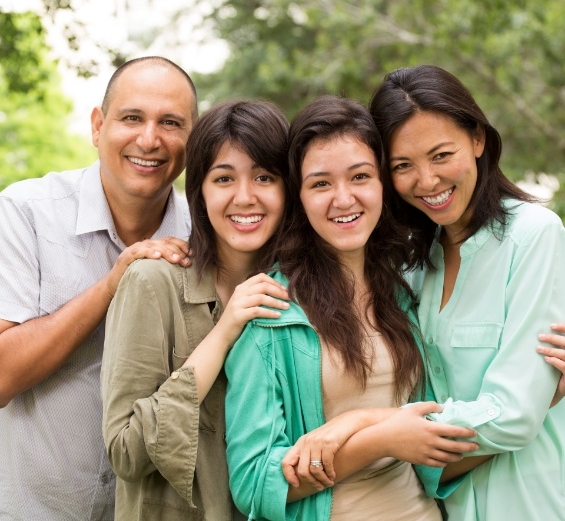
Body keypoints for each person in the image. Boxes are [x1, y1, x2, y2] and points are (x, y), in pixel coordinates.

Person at [224, 96, 480, 521]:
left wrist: (544, 394)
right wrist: (379, 439)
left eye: (360, 176)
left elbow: (433, 453)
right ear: (299, 198)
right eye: (321, 183)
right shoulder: (271, 311)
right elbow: (253, 485)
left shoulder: (403, 295)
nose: (344, 199)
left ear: (381, 184)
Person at [0, 56, 196, 520]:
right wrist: (114, 282)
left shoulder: (204, 236)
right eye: (132, 118)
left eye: (171, 123)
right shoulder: (25, 212)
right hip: (33, 509)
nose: (149, 139)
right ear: (98, 125)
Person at [367, 65, 565, 520]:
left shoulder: (534, 236)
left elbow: (515, 416)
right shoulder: (414, 262)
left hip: (528, 504)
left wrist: (373, 435)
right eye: (402, 166)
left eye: (441, 155)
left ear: (477, 139)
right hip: (439, 508)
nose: (427, 181)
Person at [101, 100, 291, 520]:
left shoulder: (300, 294)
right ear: (199, 193)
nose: (245, 197)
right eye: (224, 178)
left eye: (264, 176)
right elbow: (126, 452)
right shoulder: (152, 283)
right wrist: (224, 331)